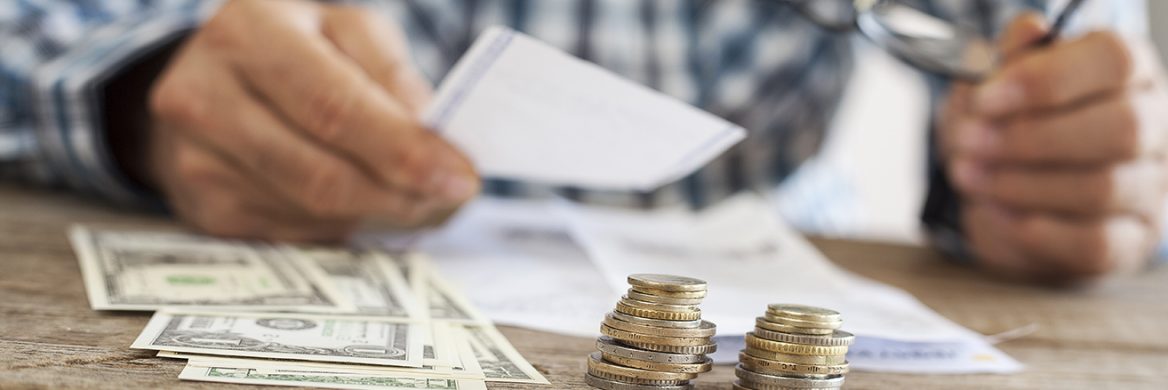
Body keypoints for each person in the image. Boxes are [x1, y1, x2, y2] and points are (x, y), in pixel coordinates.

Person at [0, 0, 1164, 284]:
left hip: (773, 276)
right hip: (283, 255)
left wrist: (1067, 163)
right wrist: (141, 80)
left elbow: (1069, 56)